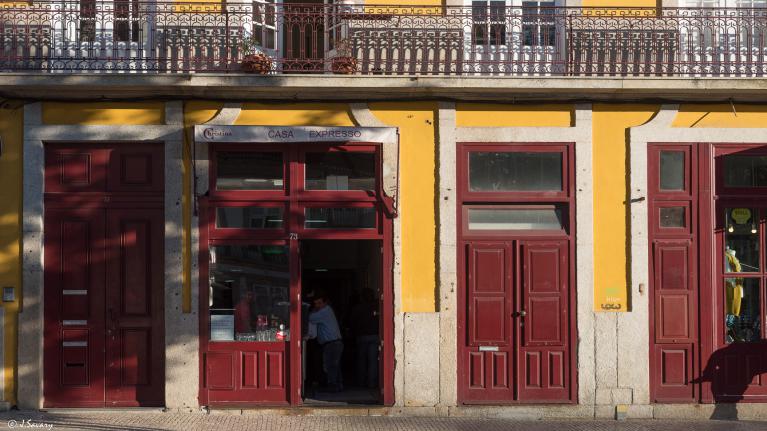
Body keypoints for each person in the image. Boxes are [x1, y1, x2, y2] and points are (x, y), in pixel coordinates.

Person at [306, 291, 344, 392]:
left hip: (332, 343)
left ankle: (333, 386)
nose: (317, 306)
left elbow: (310, 318)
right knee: (335, 365)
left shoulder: (325, 311)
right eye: (315, 304)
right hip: (333, 343)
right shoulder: (325, 310)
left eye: (319, 303)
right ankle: (338, 386)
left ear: (325, 303)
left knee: (330, 366)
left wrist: (313, 310)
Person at [350, 288, 379, 388]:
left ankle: (361, 383)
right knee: (373, 361)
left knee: (361, 361)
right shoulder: (377, 306)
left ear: (362, 297)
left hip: (361, 336)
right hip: (374, 336)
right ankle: (371, 383)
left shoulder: (357, 308)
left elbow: (352, 323)